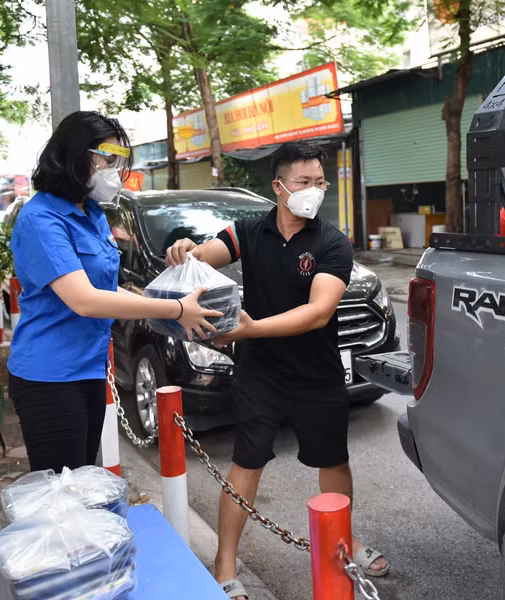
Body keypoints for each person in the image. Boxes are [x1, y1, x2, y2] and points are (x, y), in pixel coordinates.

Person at [166, 141, 389, 599]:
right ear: (279, 187)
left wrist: (251, 330)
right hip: (261, 373)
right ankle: (224, 563)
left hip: (316, 372)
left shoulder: (331, 242)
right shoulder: (249, 231)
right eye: (303, 182)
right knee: (247, 461)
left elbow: (318, 312)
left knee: (333, 462)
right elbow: (206, 255)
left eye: (319, 182)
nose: (314, 191)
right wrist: (186, 250)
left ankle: (345, 542)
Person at [7, 111, 222, 473]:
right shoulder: (41, 219)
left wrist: (166, 297)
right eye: (107, 159)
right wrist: (174, 310)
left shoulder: (92, 213)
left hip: (90, 367)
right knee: (62, 492)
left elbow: (109, 287)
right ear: (75, 155)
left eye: (118, 161)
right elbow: (85, 299)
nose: (114, 170)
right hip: (50, 376)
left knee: (82, 477)